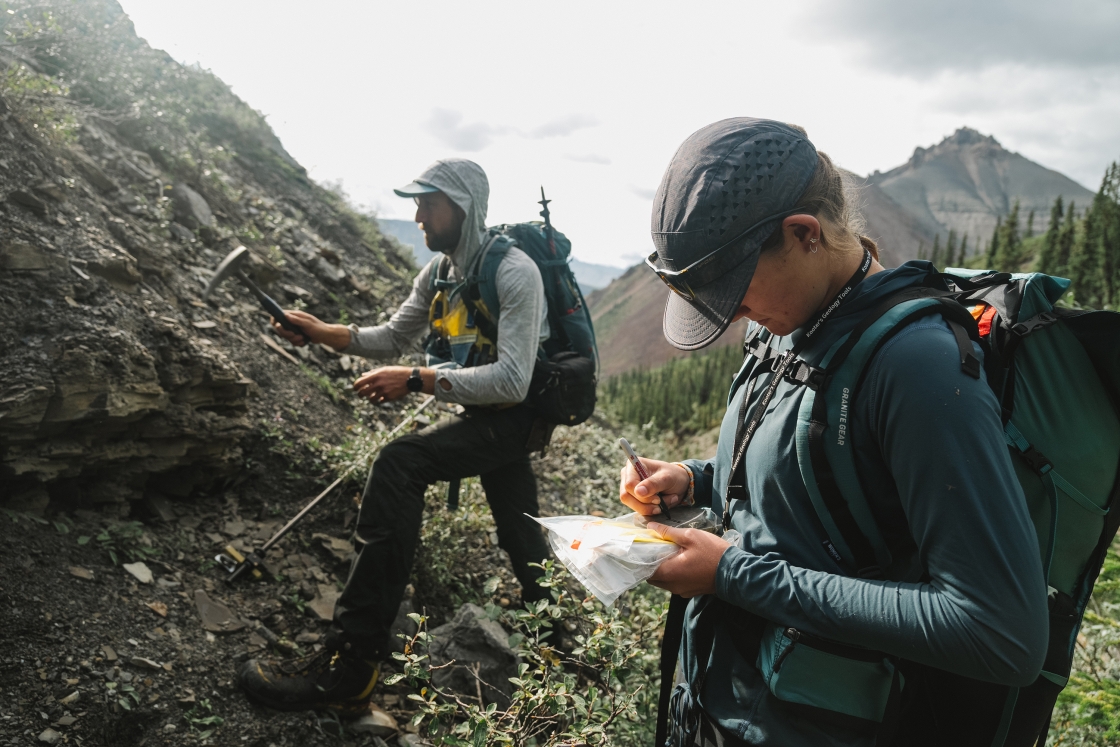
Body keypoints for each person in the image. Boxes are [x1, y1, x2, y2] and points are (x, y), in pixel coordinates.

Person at [619, 119, 1049, 746]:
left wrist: (733, 575)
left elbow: (1000, 634)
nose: (733, 313)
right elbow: (814, 491)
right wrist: (694, 479)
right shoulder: (787, 323)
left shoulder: (919, 369)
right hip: (721, 702)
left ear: (803, 235)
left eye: (736, 291)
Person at [239, 158, 554, 715]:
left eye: (428, 205)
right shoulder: (439, 272)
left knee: (400, 463)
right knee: (520, 528)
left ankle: (352, 667)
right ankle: (558, 642)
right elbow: (389, 337)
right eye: (417, 205)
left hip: (516, 416)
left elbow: (513, 378)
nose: (417, 217)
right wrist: (318, 331)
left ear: (462, 207)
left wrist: (417, 379)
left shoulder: (514, 272)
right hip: (484, 414)